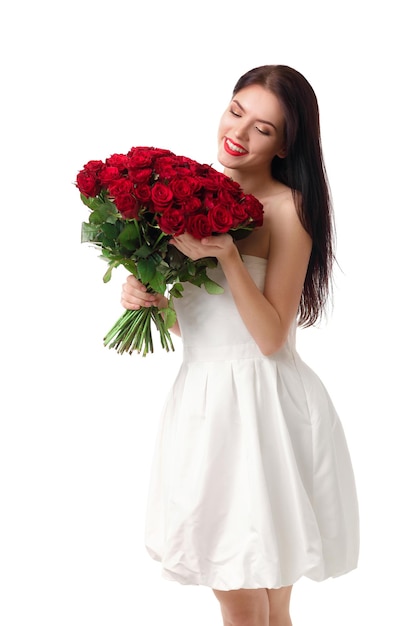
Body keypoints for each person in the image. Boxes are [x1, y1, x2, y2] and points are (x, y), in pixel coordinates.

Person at [121, 65, 359, 626]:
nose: (241, 133)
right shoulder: (190, 194)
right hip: (206, 405)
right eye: (237, 111)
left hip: (265, 406)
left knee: (250, 598)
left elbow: (272, 334)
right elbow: (204, 322)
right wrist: (150, 297)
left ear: (284, 145)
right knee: (262, 599)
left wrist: (227, 255)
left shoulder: (288, 208)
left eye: (264, 129)